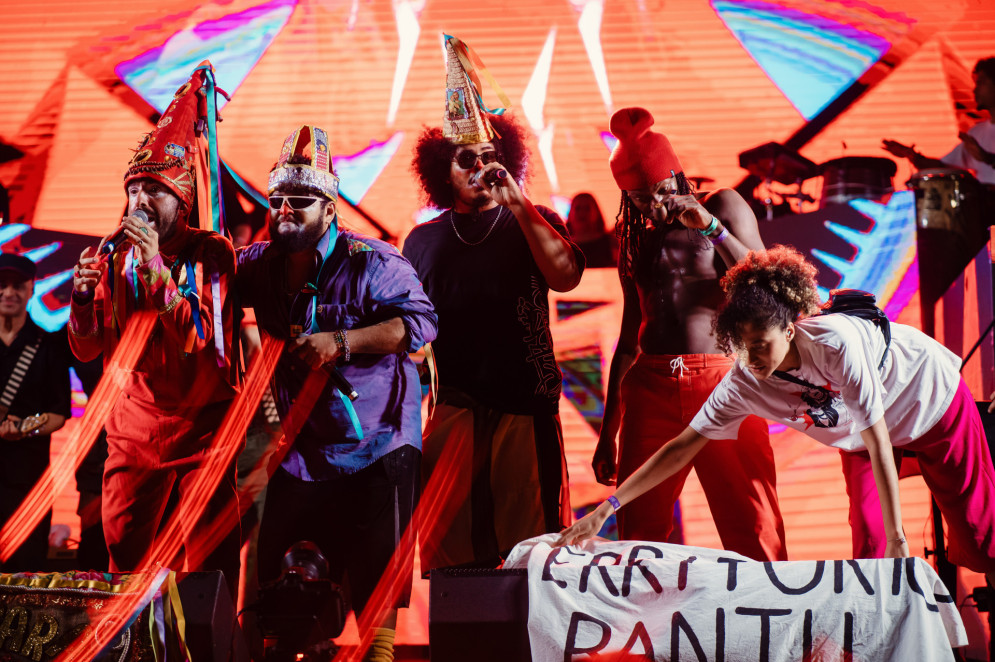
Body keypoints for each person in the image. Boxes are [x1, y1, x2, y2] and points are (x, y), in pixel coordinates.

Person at [558, 246, 995, 586]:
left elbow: (880, 435)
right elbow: (679, 448)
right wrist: (606, 509)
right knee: (872, 543)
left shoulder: (835, 344)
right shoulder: (745, 379)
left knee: (979, 534)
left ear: (789, 328)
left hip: (927, 400)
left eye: (762, 343)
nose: (754, 357)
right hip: (863, 437)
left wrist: (903, 536)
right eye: (743, 347)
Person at [236, 125, 437, 662]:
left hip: (380, 443)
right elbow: (207, 284)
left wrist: (342, 341)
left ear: (330, 208)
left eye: (299, 201)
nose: (284, 210)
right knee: (279, 584)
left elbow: (420, 325)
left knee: (377, 592)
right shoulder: (257, 266)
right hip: (303, 449)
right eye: (276, 200)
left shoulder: (373, 261)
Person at [403, 35, 584, 573]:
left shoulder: (530, 219)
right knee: (454, 551)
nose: (481, 169)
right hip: (456, 406)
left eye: (490, 158)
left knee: (532, 555)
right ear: (443, 169)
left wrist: (519, 202)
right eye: (467, 160)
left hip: (524, 405)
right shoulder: (423, 241)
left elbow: (567, 276)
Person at [69, 64, 242, 595]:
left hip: (202, 428)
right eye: (134, 189)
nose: (140, 201)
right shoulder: (109, 253)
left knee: (209, 569)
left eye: (153, 191)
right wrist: (80, 300)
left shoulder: (210, 252)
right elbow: (87, 347)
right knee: (124, 570)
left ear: (182, 201)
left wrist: (156, 271)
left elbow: (202, 342)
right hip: (133, 429)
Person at [591, 107, 786, 561]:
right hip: (650, 386)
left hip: (721, 382)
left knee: (754, 521)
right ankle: (645, 630)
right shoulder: (635, 237)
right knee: (638, 532)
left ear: (676, 175)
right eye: (637, 198)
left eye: (658, 190)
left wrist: (712, 229)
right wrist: (608, 432)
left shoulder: (723, 204)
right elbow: (628, 335)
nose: (651, 205)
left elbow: (768, 280)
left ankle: (774, 626)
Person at [0, 253, 71, 572]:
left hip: (28, 482)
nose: (9, 293)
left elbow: (59, 413)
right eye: (1, 285)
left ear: (31, 290)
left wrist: (26, 428)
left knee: (25, 573)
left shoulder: (48, 345)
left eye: (17, 286)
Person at [883, 57, 995, 185]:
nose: (974, 90)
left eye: (981, 83)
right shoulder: (976, 132)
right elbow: (943, 166)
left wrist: (987, 158)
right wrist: (911, 155)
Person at [565, 192, 617, 268]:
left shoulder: (611, 243)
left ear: (596, 213)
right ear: (570, 213)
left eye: (587, 208)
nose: (582, 213)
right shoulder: (562, 244)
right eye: (578, 208)